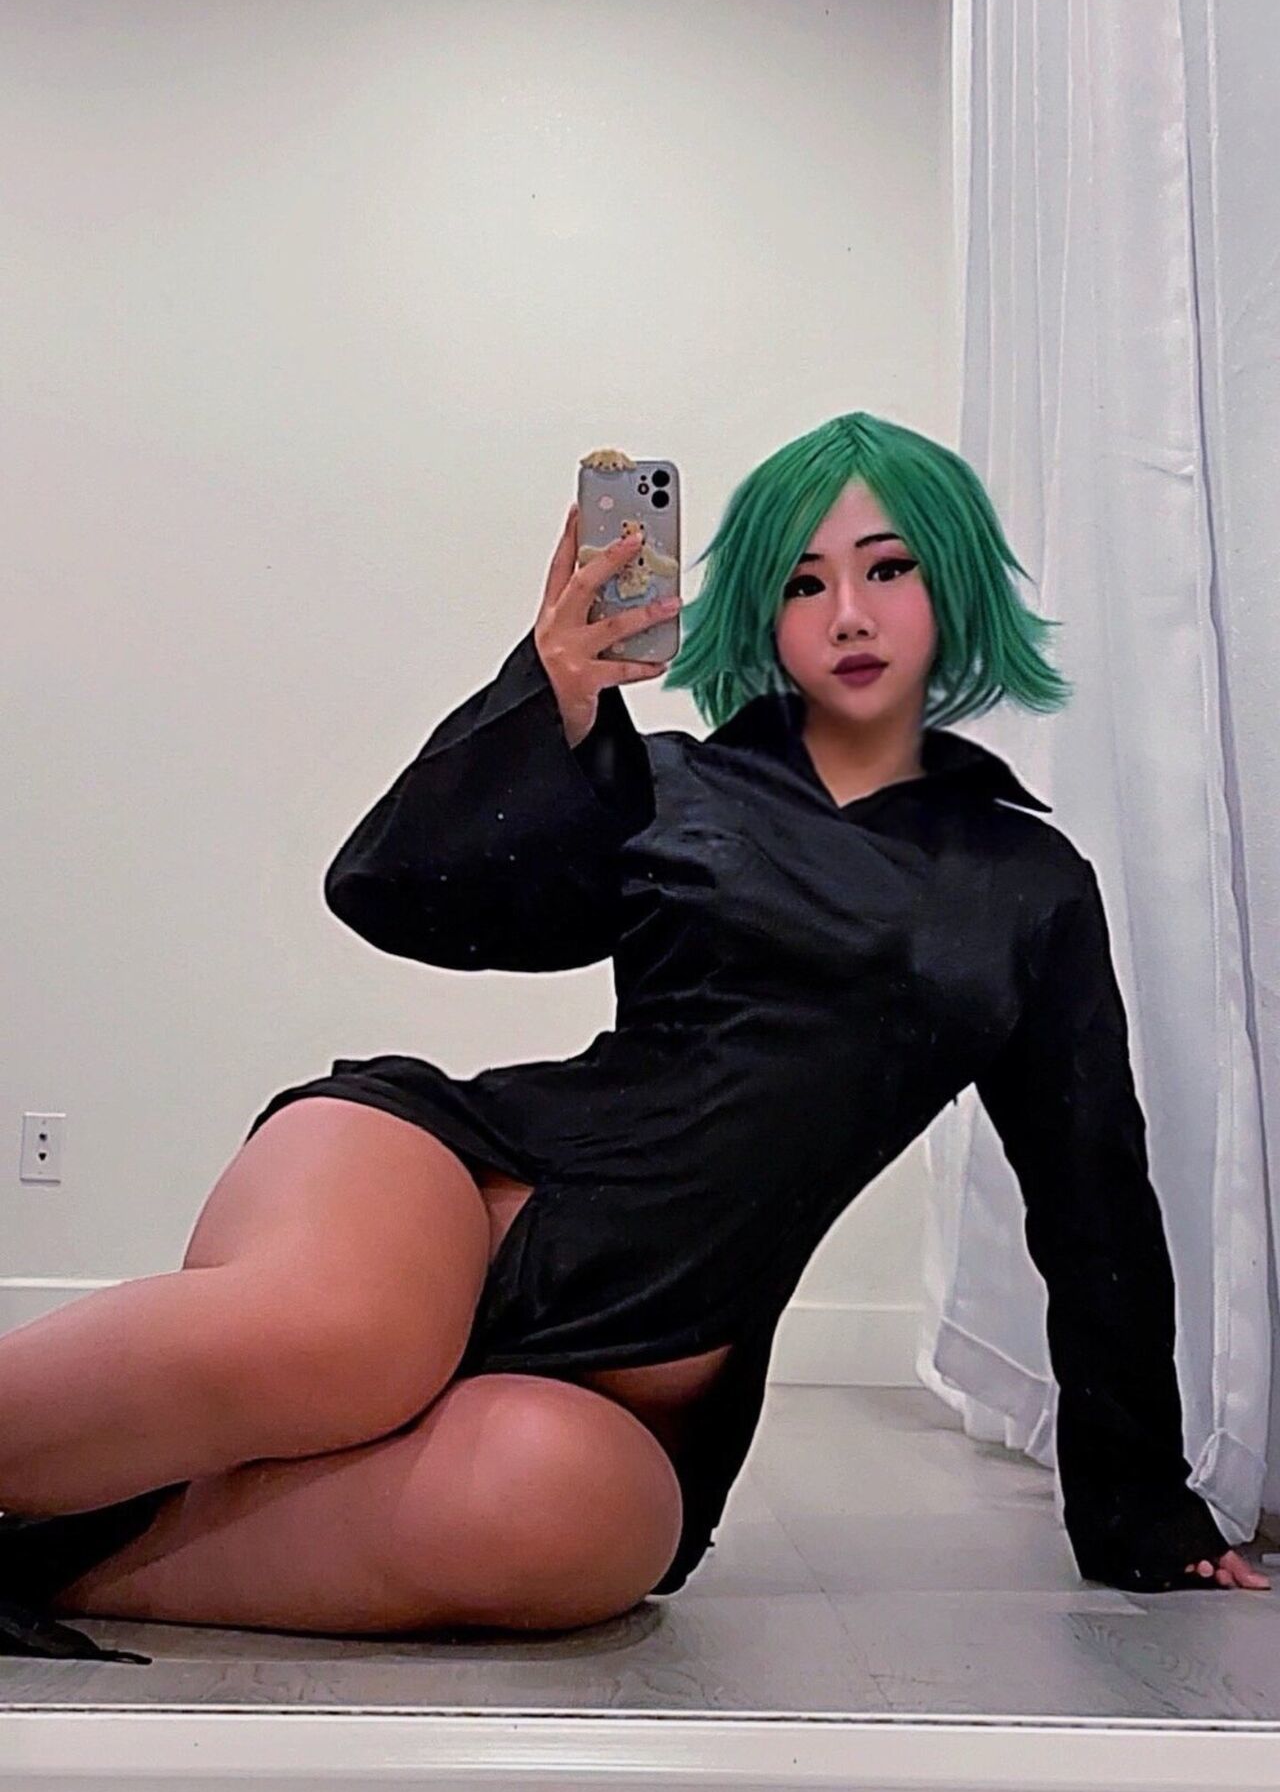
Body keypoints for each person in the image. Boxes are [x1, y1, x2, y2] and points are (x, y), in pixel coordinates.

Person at [0, 411, 1266, 1664]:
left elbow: (1090, 1193)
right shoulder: (660, 783)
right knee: (349, 1338)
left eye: (888, 569)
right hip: (444, 1180)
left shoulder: (1025, 883)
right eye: (801, 581)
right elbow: (392, 892)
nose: (846, 615)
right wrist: (549, 695)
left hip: (640, 1355)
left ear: (956, 584)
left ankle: (55, 1562)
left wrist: (1136, 1502)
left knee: (556, 1522)